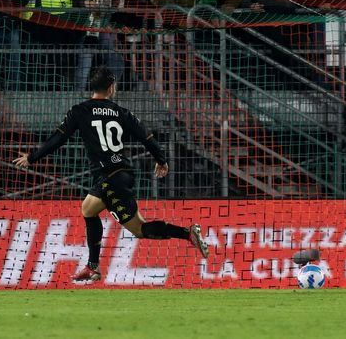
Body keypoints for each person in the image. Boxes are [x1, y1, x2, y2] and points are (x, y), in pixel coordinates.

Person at [13, 66, 209, 281]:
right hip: (120, 173)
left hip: (109, 175)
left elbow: (58, 139)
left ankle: (94, 266)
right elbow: (147, 138)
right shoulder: (122, 112)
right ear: (111, 87)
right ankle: (185, 234)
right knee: (123, 223)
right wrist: (161, 160)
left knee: (101, 214)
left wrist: (32, 157)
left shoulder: (80, 110)